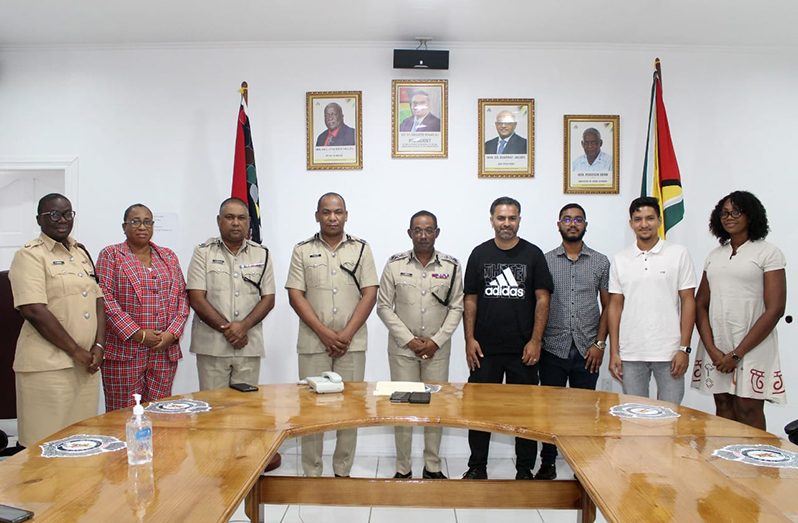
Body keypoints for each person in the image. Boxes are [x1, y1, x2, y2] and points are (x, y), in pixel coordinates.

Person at [286, 192, 378, 477]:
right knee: (311, 408)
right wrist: (325, 334)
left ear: (346, 215)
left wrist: (346, 334)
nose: (332, 217)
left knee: (350, 408)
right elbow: (295, 294)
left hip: (352, 344)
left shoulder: (362, 249)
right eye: (326, 212)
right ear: (317, 216)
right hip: (314, 343)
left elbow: (370, 293)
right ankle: (312, 471)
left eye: (338, 212)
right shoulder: (302, 250)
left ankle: (342, 470)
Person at [462, 196, 553, 480]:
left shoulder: (533, 254)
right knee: (479, 412)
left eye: (511, 218)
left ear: (519, 220)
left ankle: (524, 468)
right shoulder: (479, 254)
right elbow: (471, 301)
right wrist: (469, 340)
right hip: (484, 350)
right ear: (491, 220)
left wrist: (536, 340)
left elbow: (542, 299)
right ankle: (477, 467)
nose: (506, 223)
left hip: (523, 350)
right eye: (501, 218)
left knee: (524, 413)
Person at [9, 193, 105, 447]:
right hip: (48, 368)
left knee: (82, 443)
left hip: (85, 367)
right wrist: (76, 351)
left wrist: (98, 347)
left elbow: (98, 300)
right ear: (39, 219)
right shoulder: (29, 255)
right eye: (53, 214)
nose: (61, 220)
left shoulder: (81, 253)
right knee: (44, 447)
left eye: (67, 214)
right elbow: (33, 310)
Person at [376, 210, 464, 480]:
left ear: (437, 232)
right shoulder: (394, 264)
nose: (423, 235)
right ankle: (403, 468)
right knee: (400, 406)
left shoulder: (451, 266)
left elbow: (457, 307)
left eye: (428, 230)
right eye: (417, 230)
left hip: (437, 351)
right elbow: (383, 307)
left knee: (435, 407)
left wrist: (435, 341)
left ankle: (432, 466)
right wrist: (410, 340)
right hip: (403, 350)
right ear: (409, 233)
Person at [692, 191, 786, 430]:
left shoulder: (767, 252)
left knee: (747, 406)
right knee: (723, 403)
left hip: (752, 344)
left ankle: (755, 465)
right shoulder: (715, 255)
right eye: (724, 213)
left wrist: (737, 354)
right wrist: (712, 349)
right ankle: (727, 464)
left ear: (751, 216)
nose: (729, 217)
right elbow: (700, 303)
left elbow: (775, 309)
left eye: (736, 212)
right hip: (717, 343)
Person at [537, 203, 610, 480]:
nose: (572, 223)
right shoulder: (544, 260)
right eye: (567, 219)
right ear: (558, 224)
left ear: (585, 225)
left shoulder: (601, 261)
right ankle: (548, 462)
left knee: (584, 412)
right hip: (552, 347)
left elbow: (609, 305)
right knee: (550, 411)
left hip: (587, 349)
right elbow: (539, 302)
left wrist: (600, 344)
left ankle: (583, 465)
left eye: (578, 219)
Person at [95, 203, 190, 411]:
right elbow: (105, 300)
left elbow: (182, 298)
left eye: (147, 222)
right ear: (124, 226)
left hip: (163, 353)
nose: (142, 227)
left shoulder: (169, 257)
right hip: (124, 353)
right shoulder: (110, 255)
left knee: (160, 414)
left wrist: (172, 334)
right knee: (123, 416)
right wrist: (138, 334)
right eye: (135, 221)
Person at [607, 197, 696, 404]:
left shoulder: (678, 254)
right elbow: (615, 306)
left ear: (659, 221)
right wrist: (614, 352)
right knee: (634, 418)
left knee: (670, 417)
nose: (644, 224)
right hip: (631, 353)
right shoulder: (620, 259)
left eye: (649, 218)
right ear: (631, 223)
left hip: (670, 352)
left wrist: (684, 349)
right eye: (638, 219)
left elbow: (688, 301)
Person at [186, 197, 275, 391]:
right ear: (219, 220)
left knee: (246, 410)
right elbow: (196, 298)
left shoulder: (262, 254)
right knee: (214, 409)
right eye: (229, 217)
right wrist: (229, 330)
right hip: (212, 347)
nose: (236, 223)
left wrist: (243, 327)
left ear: (249, 222)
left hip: (248, 345)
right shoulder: (203, 253)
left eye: (241, 218)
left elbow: (268, 299)